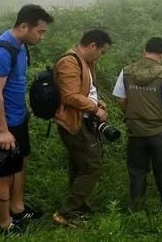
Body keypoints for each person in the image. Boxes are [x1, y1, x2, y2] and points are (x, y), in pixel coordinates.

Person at [0, 4, 53, 236]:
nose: (42, 36)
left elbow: (15, 84)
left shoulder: (20, 46)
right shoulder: (2, 51)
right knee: (3, 172)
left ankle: (17, 209)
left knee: (20, 163)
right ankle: (4, 224)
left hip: (17, 118)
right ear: (23, 26)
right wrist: (3, 130)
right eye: (40, 31)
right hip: (1, 124)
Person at [52, 30, 112, 227]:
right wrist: (94, 108)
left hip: (83, 120)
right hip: (74, 123)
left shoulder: (85, 62)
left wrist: (98, 101)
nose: (101, 56)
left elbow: (85, 90)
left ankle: (79, 206)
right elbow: (69, 95)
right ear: (92, 45)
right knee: (92, 166)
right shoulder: (69, 62)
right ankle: (66, 212)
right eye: (101, 52)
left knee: (79, 165)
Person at [113, 37, 162, 217]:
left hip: (135, 132)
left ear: (145, 51)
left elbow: (120, 98)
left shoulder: (126, 71)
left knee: (137, 172)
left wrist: (132, 113)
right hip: (158, 132)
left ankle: (137, 211)